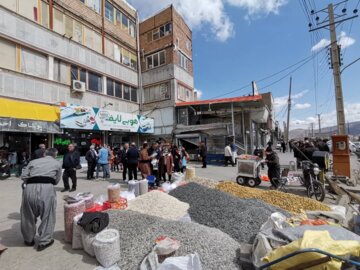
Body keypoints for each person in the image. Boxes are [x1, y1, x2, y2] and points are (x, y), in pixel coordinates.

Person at [20, 148, 62, 251]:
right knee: (47, 215)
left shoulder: (33, 161)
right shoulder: (57, 163)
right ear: (55, 155)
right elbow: (56, 181)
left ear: (44, 154)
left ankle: (28, 239)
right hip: (47, 187)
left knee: (27, 214)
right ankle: (44, 241)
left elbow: (23, 176)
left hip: (29, 187)